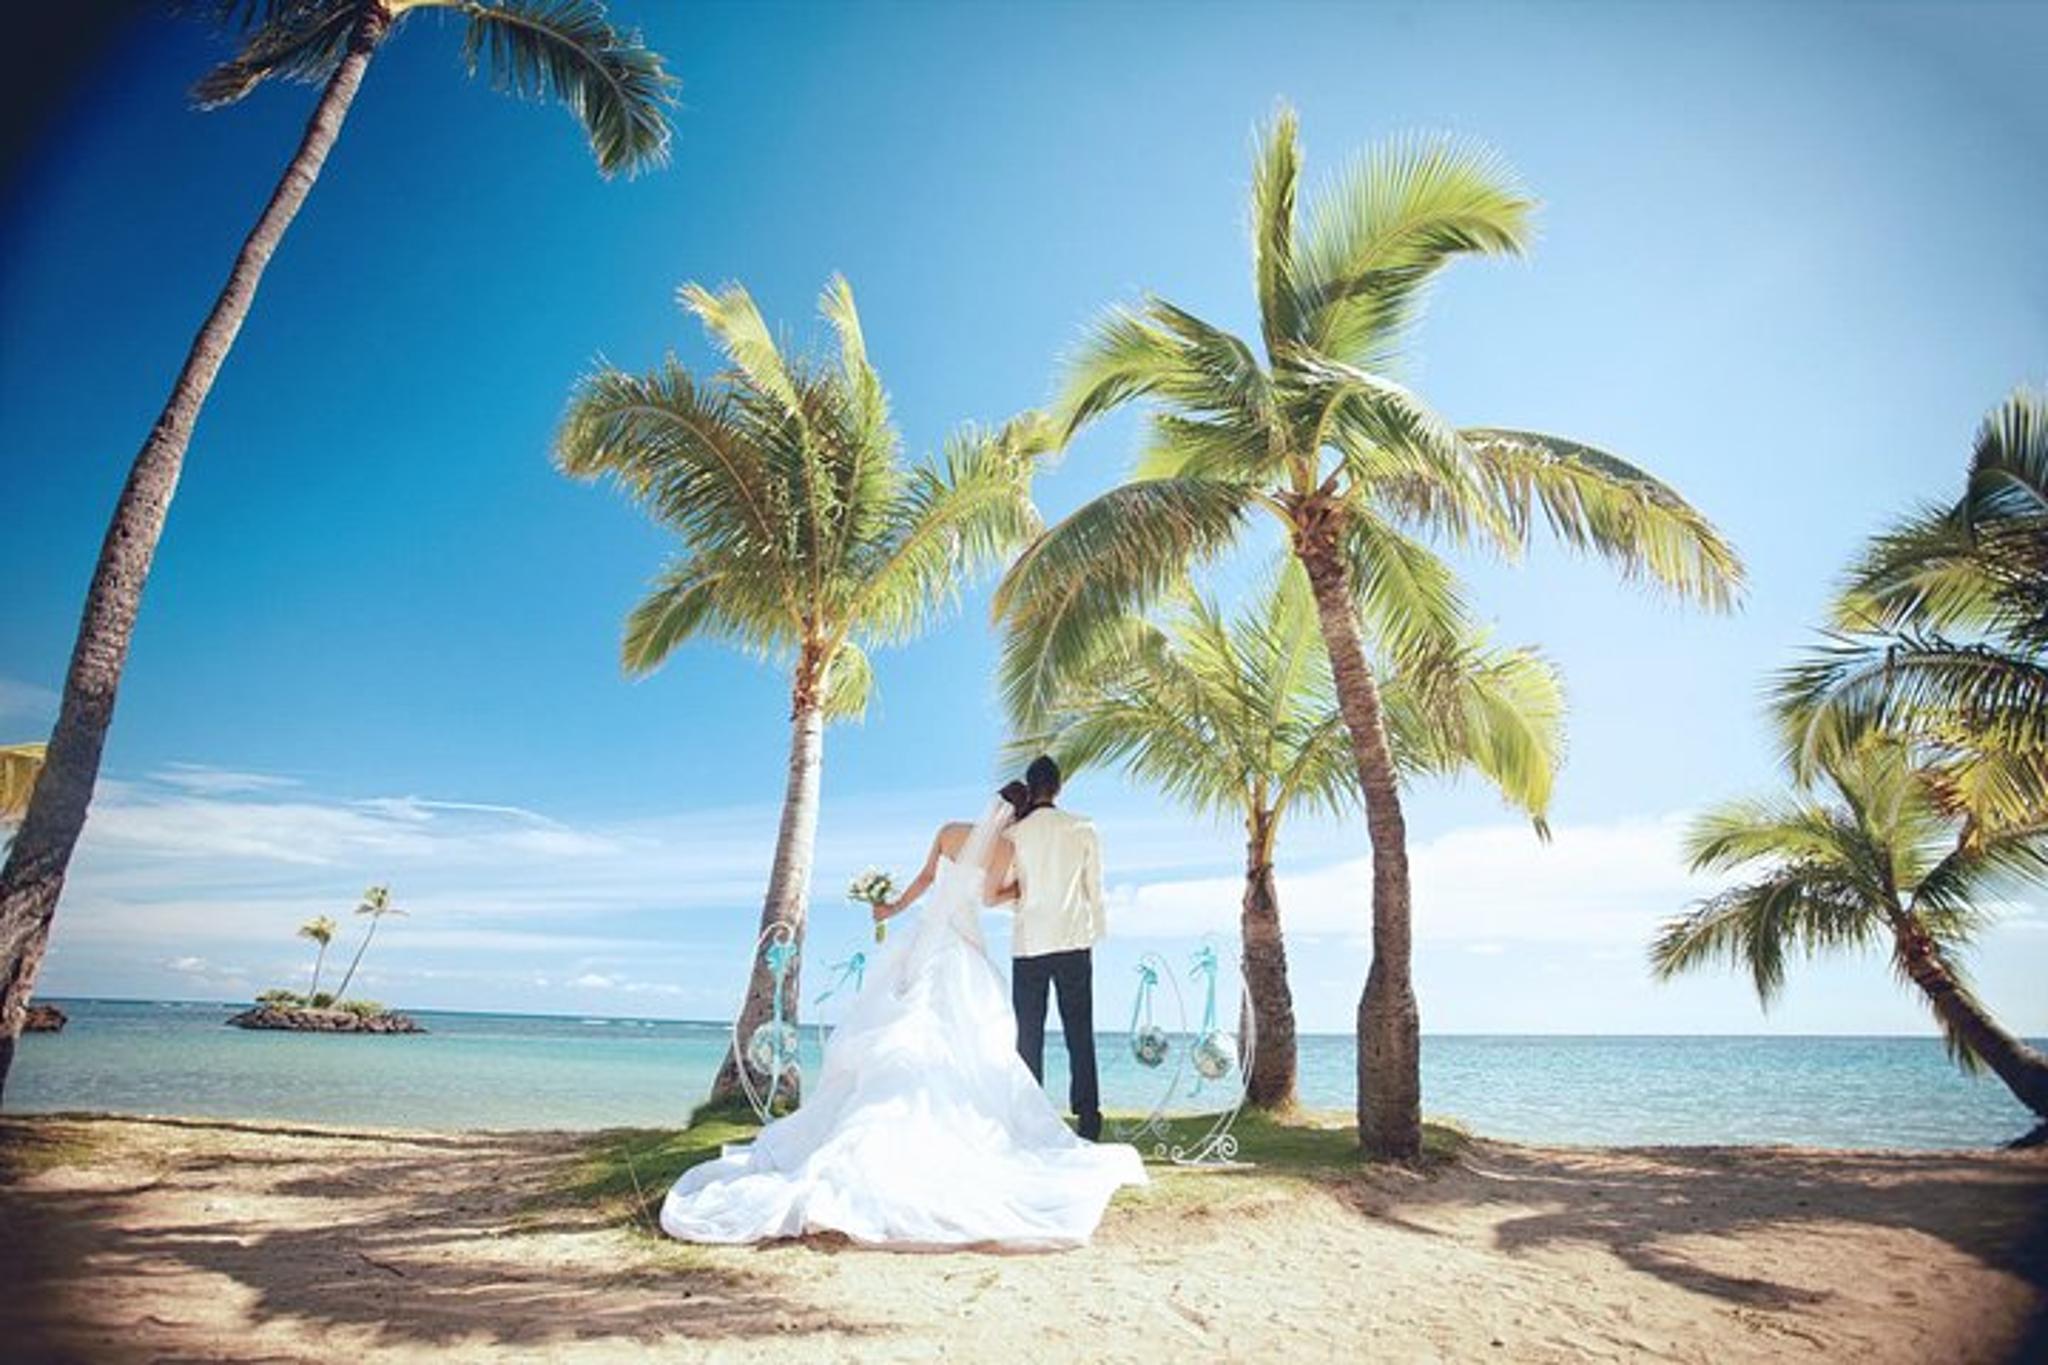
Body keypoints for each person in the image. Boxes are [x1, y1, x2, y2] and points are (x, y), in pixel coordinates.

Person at [658, 780, 1145, 1248]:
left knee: (902, 1019)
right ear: (1014, 815)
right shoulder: (1008, 851)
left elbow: (924, 881)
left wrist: (889, 909)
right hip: (964, 945)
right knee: (970, 1032)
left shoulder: (947, 831)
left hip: (926, 939)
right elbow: (991, 898)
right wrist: (1020, 893)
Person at [982, 755, 1106, 1140]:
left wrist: (1027, 891)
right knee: (1079, 1033)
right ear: (1059, 787)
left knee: (1029, 1036)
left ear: (1030, 788)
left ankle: (1029, 1119)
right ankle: (1088, 1120)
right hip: (1073, 940)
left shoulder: (1015, 835)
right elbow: (1094, 889)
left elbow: (995, 893)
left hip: (1029, 942)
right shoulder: (1083, 826)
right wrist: (1095, 933)